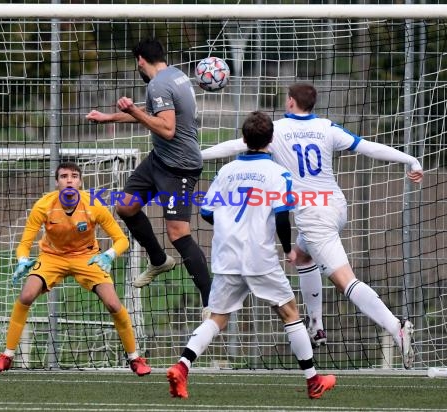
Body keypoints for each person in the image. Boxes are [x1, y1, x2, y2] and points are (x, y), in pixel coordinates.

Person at [201, 83, 424, 369]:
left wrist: (199, 154)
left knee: (345, 281)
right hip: (335, 206)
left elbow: (236, 145)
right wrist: (408, 158)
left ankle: (397, 327)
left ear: (291, 102)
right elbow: (367, 147)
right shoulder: (327, 127)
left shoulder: (277, 129)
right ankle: (316, 325)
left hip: (313, 216)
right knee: (302, 256)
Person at [167, 111, 336, 400]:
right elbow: (282, 218)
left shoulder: (226, 171)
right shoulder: (277, 173)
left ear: (243, 140)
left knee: (217, 317)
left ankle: (182, 366)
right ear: (271, 141)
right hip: (259, 257)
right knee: (290, 313)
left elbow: (207, 212)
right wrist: (287, 249)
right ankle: (313, 380)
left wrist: (231, 225)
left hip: (226, 255)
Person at [86, 38, 212, 319]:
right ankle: (158, 260)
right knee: (126, 206)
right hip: (159, 159)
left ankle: (210, 301)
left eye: (136, 63)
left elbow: (167, 129)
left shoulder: (158, 85)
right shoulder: (175, 75)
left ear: (140, 60)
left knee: (178, 233)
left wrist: (132, 110)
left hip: (180, 167)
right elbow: (150, 117)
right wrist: (110, 118)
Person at [0, 161, 151, 376]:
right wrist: (21, 260)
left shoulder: (93, 205)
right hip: (51, 257)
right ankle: (7, 356)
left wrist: (108, 255)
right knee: (26, 296)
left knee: (113, 304)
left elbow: (121, 239)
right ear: (57, 182)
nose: (69, 180)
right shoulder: (44, 205)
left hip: (87, 258)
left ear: (80, 182)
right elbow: (25, 243)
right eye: (64, 176)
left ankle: (134, 358)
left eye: (74, 176)